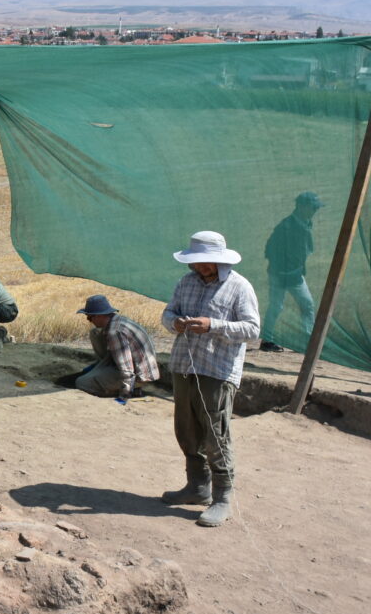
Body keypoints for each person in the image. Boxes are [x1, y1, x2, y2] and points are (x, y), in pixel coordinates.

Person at [160, 231, 261, 528]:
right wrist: (175, 323)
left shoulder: (239, 287)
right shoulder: (186, 282)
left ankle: (222, 498)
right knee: (186, 428)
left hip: (217, 370)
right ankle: (197, 487)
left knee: (216, 432)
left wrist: (212, 325)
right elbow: (168, 313)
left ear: (219, 260)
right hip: (184, 365)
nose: (200, 268)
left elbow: (252, 329)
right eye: (197, 263)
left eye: (206, 263)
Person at [261, 191, 323, 352]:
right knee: (283, 306)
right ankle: (269, 341)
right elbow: (269, 250)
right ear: (301, 207)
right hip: (283, 275)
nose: (315, 211)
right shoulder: (286, 227)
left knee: (298, 305)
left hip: (294, 274)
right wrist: (282, 271)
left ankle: (307, 341)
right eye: (313, 207)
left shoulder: (304, 222)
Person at [73, 294, 160, 401]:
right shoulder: (118, 320)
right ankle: (103, 368)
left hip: (140, 375)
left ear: (99, 316)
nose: (89, 320)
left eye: (89, 317)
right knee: (95, 333)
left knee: (81, 383)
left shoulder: (115, 333)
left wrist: (125, 394)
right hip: (140, 368)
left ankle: (132, 390)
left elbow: (127, 369)